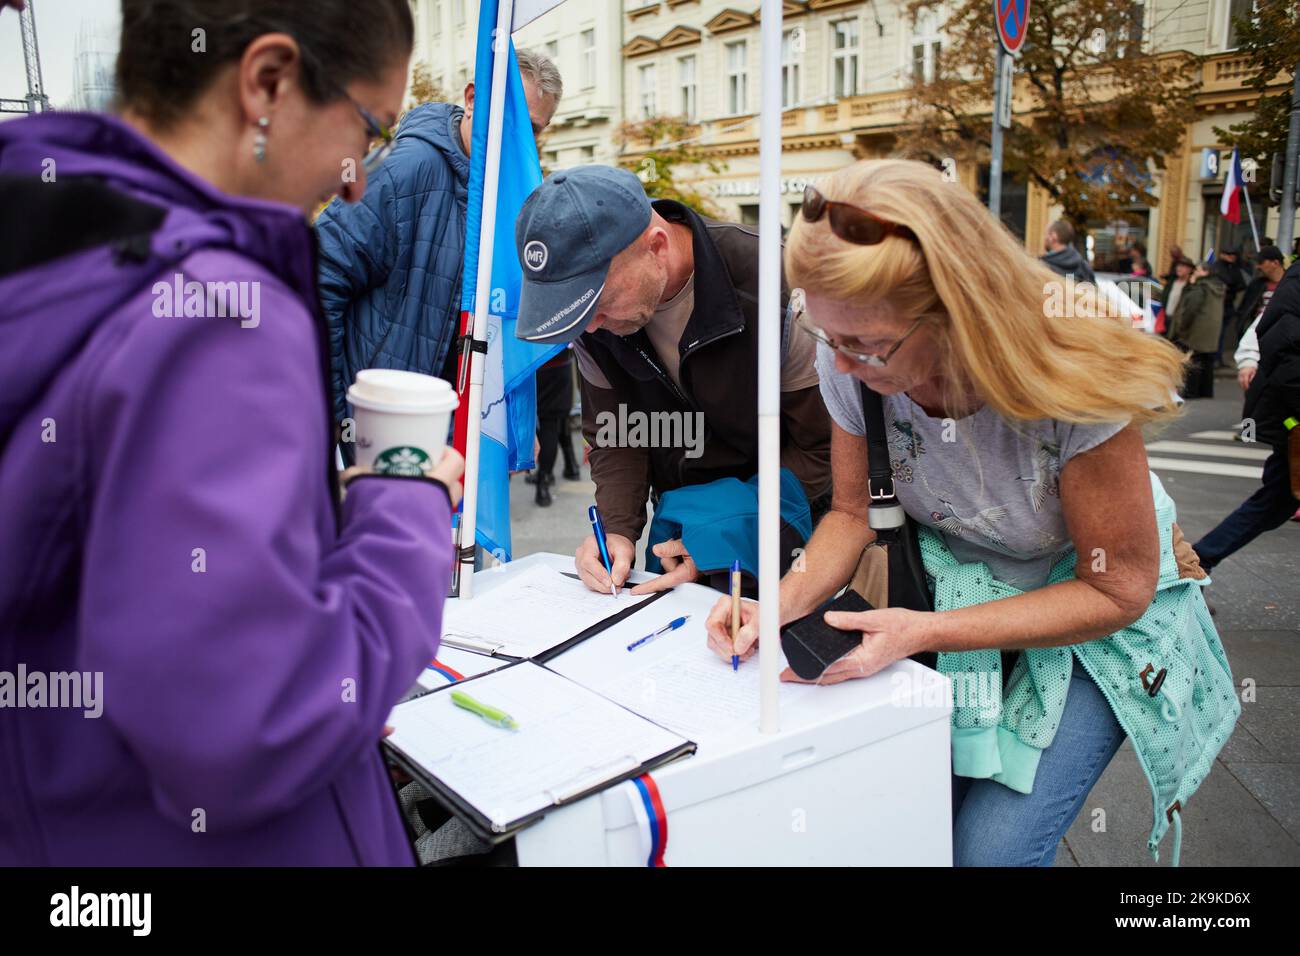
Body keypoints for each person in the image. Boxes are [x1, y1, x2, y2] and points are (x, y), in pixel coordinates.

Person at [0, 0, 464, 865]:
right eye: (370, 128)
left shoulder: (54, 240)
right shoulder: (216, 308)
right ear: (269, 82)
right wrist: (404, 508)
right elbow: (247, 725)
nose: (358, 179)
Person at [703, 159, 1237, 866]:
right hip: (962, 589)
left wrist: (920, 632)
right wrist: (778, 602)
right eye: (825, 335)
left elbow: (1118, 589)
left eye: (864, 344)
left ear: (957, 310)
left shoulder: (1074, 383)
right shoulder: (852, 370)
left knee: (991, 853)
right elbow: (852, 514)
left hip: (1096, 615)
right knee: (915, 821)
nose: (838, 368)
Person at [512, 165, 833, 594]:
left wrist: (720, 527)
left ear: (657, 246)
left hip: (791, 537)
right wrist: (616, 529)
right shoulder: (592, 323)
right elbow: (618, 434)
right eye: (576, 313)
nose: (590, 328)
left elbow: (825, 448)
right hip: (678, 536)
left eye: (599, 302)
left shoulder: (779, 287)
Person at [316, 48, 563, 436]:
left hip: (450, 434)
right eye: (513, 121)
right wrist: (332, 420)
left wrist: (516, 422)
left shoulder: (507, 192)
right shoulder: (403, 168)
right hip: (379, 429)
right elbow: (316, 277)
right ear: (471, 100)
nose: (522, 140)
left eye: (534, 130)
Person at [1194, 249, 1300, 569]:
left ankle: (1197, 562)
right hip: (1285, 406)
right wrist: (1247, 360)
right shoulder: (1280, 284)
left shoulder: (1286, 281)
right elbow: (1275, 340)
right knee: (1274, 500)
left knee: (1275, 502)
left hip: (1281, 401)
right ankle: (1195, 563)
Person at [529, 346, 582, 507]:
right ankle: (548, 480)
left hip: (537, 365)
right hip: (562, 361)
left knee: (546, 424)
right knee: (555, 420)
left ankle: (544, 480)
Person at [1167, 260, 1225, 399]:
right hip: (1211, 330)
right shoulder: (1217, 286)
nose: (1195, 273)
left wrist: (1182, 326)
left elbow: (1191, 308)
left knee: (1193, 360)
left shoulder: (1200, 287)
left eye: (1197, 270)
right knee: (1207, 361)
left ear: (1206, 272)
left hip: (1197, 330)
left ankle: (1192, 392)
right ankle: (1206, 391)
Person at [1232, 245, 1287, 387]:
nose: (1257, 267)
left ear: (1275, 263)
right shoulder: (1256, 285)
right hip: (1256, 337)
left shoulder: (1291, 285)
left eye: (1261, 262)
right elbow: (1244, 309)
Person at [1212, 247, 1248, 367]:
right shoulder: (1218, 267)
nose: (1232, 257)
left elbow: (1240, 284)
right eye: (1229, 254)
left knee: (1222, 334)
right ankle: (1215, 358)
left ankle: (1218, 358)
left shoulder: (1234, 268)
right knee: (1217, 334)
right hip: (1218, 305)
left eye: (1233, 255)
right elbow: (1225, 281)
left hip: (1228, 305)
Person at [1040, 219, 1096, 285]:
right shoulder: (1084, 268)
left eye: (1045, 234)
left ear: (1053, 236)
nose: (1044, 238)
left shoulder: (1041, 267)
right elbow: (1094, 293)